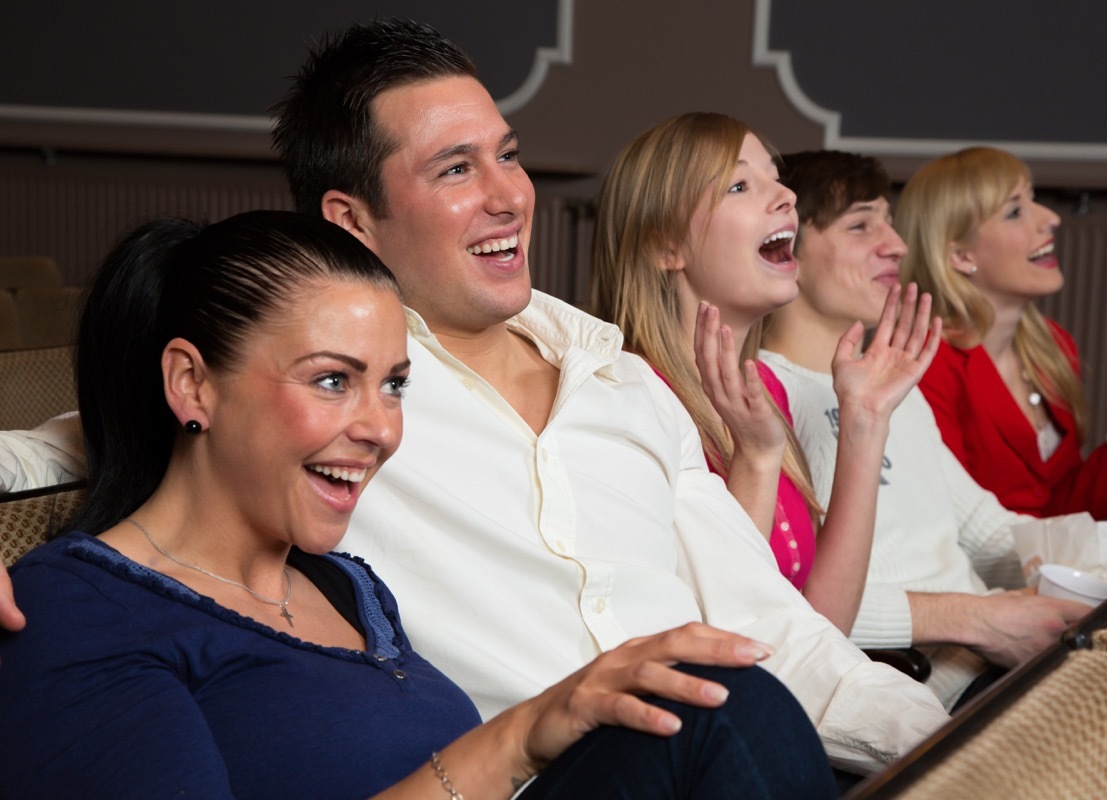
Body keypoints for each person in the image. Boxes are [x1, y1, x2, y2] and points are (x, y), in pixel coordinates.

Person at [0, 19, 950, 772]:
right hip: (529, 774)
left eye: (508, 153)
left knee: (732, 694)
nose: (510, 195)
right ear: (352, 221)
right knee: (711, 704)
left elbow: (768, 623)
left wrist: (949, 750)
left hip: (714, 755)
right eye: (456, 169)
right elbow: (63, 449)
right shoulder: (323, 402)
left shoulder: (618, 378)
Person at [0, 210, 838, 798]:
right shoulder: (79, 609)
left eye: (394, 386)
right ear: (191, 383)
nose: (378, 428)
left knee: (715, 697)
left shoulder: (344, 586)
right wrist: (520, 735)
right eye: (332, 380)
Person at [759, 151, 1092, 710]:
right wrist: (980, 618)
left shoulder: (890, 380)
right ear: (787, 247)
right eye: (861, 225)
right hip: (923, 688)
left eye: (888, 221)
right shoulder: (763, 398)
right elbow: (791, 607)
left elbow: (986, 532)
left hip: (993, 660)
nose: (897, 244)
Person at [588, 112, 940, 634]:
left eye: (776, 178)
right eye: (739, 185)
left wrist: (865, 419)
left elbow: (822, 627)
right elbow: (725, 637)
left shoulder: (764, 389)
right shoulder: (627, 399)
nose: (787, 197)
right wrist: (755, 458)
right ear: (666, 245)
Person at [894, 146, 1107, 520]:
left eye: (1033, 200)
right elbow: (953, 528)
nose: (1050, 219)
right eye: (1015, 211)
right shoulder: (926, 367)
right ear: (961, 256)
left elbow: (1059, 510)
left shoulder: (1053, 346)